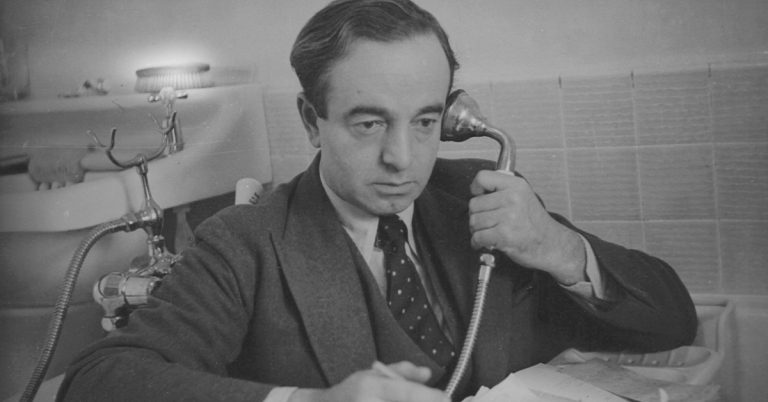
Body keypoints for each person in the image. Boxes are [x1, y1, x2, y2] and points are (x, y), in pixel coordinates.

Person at [57, 1, 698, 401]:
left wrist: (560, 249)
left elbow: (674, 320)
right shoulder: (246, 242)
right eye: (369, 124)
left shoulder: (478, 195)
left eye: (423, 122)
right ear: (312, 121)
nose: (403, 158)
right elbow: (97, 384)